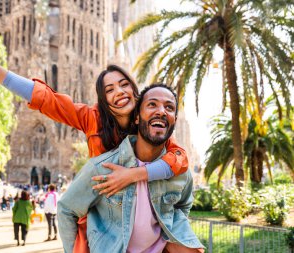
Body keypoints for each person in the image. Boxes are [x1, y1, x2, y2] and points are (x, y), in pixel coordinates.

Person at [0, 22, 188, 253]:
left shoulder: (149, 123)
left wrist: (134, 174)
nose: (118, 92)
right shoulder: (92, 119)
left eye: (124, 85)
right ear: (103, 100)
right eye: (109, 90)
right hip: (107, 226)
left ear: (135, 91)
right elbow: (46, 99)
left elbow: (179, 158)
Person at [58, 84, 205, 253]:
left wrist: (171, 236)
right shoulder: (104, 168)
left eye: (169, 107)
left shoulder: (179, 172)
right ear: (136, 117)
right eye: (152, 104)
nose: (161, 111)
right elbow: (66, 209)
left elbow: (183, 206)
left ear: (174, 121)